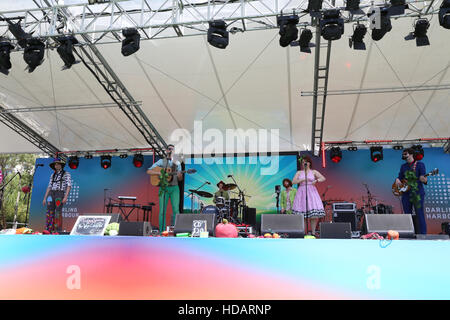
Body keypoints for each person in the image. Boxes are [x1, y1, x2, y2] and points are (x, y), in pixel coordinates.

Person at [147, 144, 183, 233]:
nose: (171, 150)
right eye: (169, 149)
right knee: (162, 210)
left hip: (174, 188)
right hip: (163, 188)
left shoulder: (177, 163)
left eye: (172, 149)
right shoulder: (161, 161)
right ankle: (162, 231)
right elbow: (148, 171)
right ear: (166, 151)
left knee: (176, 209)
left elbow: (180, 179)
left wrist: (179, 176)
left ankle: (176, 230)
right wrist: (159, 173)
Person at [395, 148, 427, 234]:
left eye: (405, 153)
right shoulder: (403, 166)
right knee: (407, 215)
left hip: (417, 193)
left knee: (419, 213)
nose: (404, 155)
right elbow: (400, 177)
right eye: (403, 154)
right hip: (406, 193)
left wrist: (423, 179)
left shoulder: (420, 164)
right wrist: (397, 180)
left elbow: (424, 178)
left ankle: (423, 235)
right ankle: (409, 233)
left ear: (411, 154)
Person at [292, 156, 326, 236]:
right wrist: (302, 180)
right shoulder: (299, 172)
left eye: (306, 162)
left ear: (309, 163)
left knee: (313, 215)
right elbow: (293, 181)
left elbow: (323, 178)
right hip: (302, 192)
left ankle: (313, 232)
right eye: (303, 162)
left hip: (311, 191)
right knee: (302, 214)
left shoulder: (313, 171)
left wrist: (316, 180)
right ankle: (303, 233)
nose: (304, 163)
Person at [42, 158, 72, 232]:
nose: (56, 165)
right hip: (51, 194)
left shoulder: (66, 174)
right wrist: (45, 198)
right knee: (49, 211)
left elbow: (69, 186)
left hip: (60, 193)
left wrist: (65, 197)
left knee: (58, 211)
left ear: (61, 165)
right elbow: (49, 186)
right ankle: (49, 229)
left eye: (58, 164)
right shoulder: (52, 175)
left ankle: (57, 230)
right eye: (55, 164)